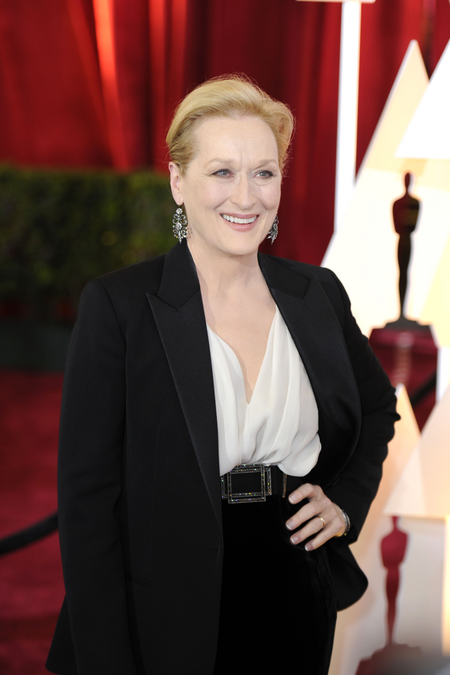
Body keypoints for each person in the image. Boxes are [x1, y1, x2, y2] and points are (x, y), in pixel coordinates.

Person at [46, 76, 399, 675]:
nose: (246, 196)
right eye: (222, 172)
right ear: (178, 182)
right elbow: (87, 505)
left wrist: (345, 503)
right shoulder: (120, 307)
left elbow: (377, 406)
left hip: (294, 594)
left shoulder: (317, 294)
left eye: (263, 172)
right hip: (161, 608)